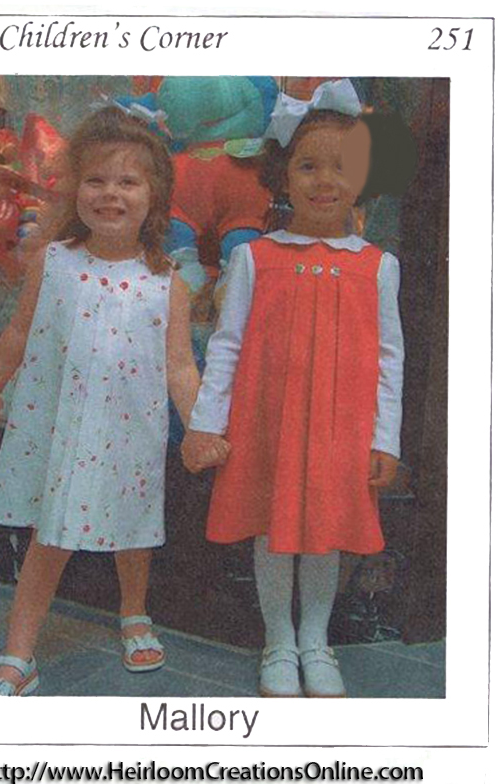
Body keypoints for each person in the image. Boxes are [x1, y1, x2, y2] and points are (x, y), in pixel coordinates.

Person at [0, 106, 225, 695]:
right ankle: (18, 656)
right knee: (48, 537)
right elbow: (18, 334)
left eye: (128, 181)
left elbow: (181, 367)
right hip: (63, 430)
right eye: (96, 179)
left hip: (132, 431)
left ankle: (134, 613)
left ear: (154, 197)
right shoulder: (53, 263)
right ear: (75, 187)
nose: (110, 193)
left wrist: (201, 427)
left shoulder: (168, 283)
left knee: (134, 527)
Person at [181, 79, 407, 698]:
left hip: (342, 430)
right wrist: (207, 423)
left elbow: (390, 358)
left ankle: (315, 639)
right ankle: (278, 640)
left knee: (325, 532)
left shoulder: (378, 266)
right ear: (283, 175)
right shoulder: (255, 257)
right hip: (268, 424)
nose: (323, 181)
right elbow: (227, 344)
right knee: (272, 529)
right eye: (308, 166)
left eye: (341, 167)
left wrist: (384, 438)